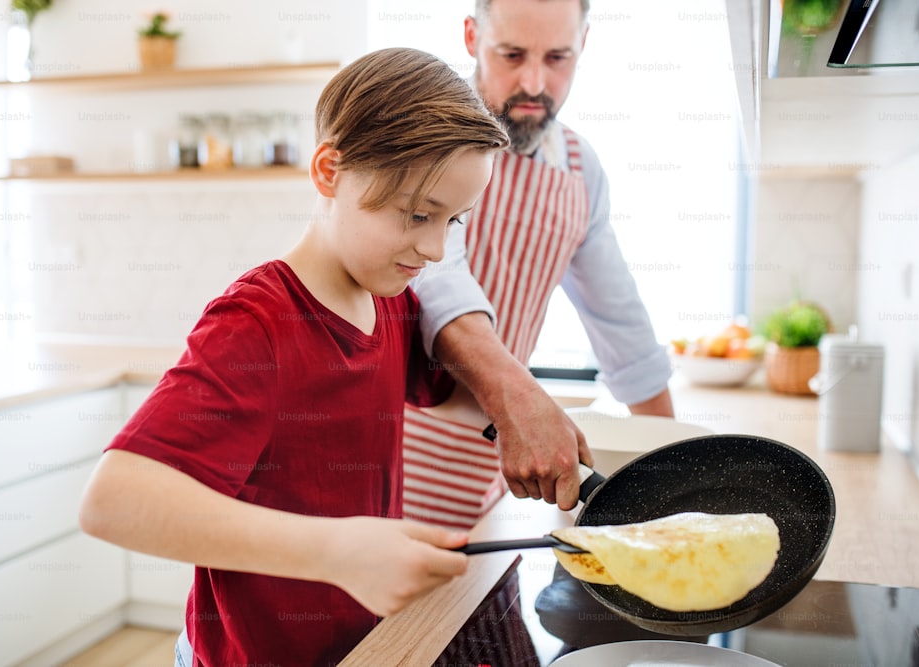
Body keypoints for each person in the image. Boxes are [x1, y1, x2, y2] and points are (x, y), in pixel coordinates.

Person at [77, 47, 509, 666]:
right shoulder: (258, 325)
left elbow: (457, 398)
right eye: (418, 215)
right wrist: (335, 552)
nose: (437, 248)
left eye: (456, 221)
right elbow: (113, 502)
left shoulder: (390, 300)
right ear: (330, 171)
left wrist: (528, 415)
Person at [403, 0, 675, 529]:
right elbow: (434, 277)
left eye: (557, 57)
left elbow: (623, 328)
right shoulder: (426, 133)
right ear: (470, 37)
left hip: (487, 473)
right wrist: (519, 398)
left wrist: (678, 472)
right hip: (386, 461)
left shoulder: (580, 170)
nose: (534, 82)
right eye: (511, 55)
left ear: (584, 45)